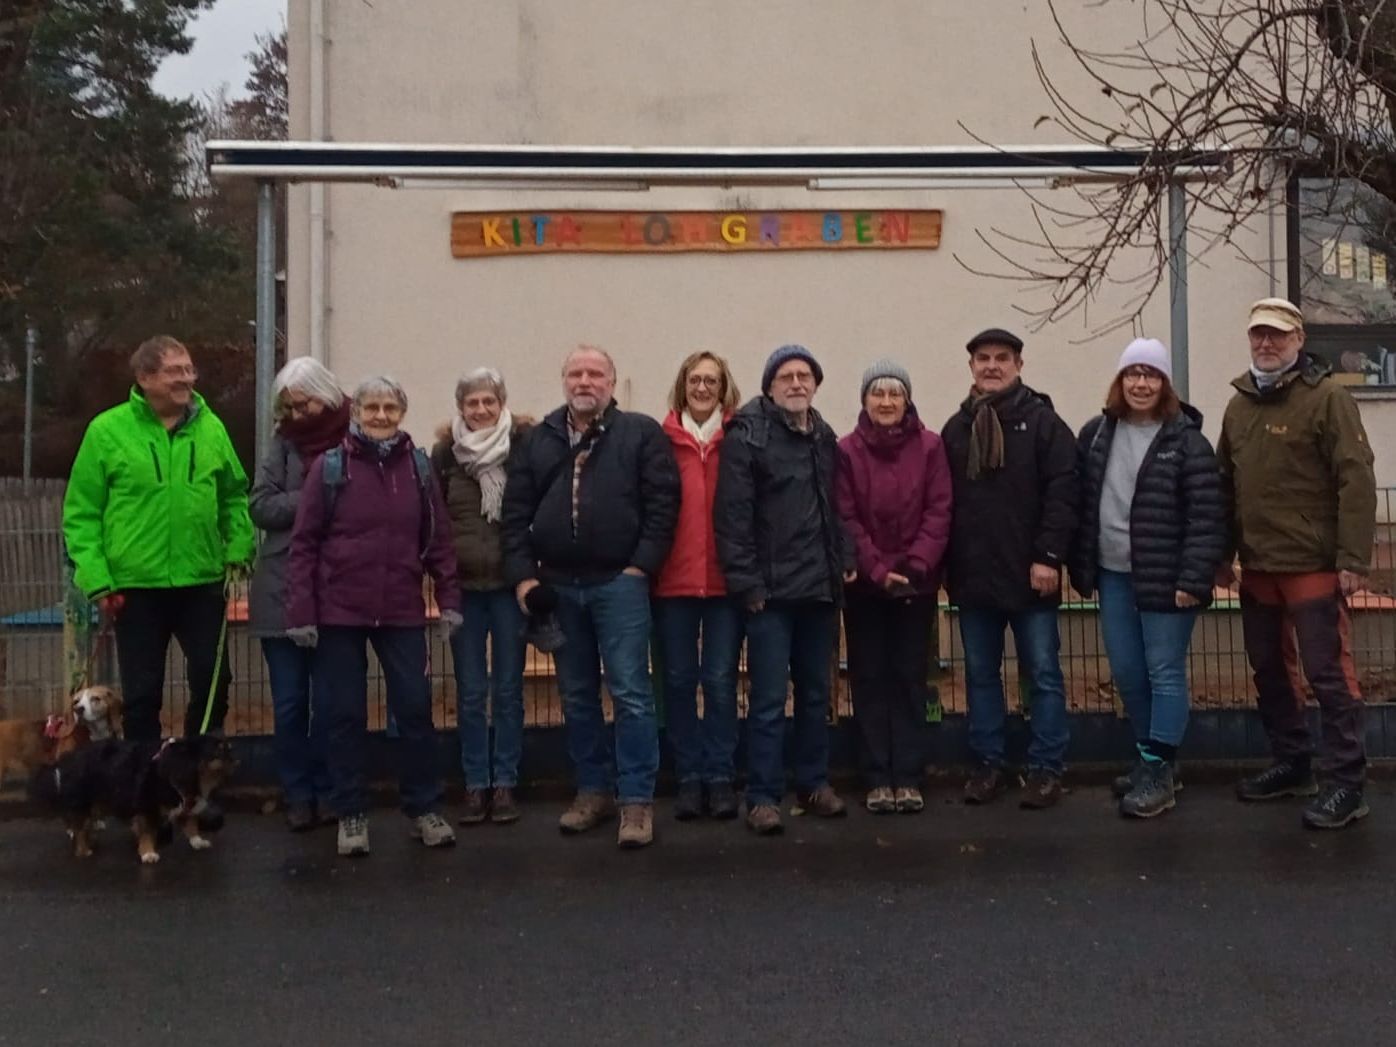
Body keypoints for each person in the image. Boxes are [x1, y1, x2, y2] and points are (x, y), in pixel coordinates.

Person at [502, 345, 679, 849]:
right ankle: (592, 791)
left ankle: (637, 801)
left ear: (612, 383)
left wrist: (638, 567)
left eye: (595, 373)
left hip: (618, 585)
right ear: (564, 381)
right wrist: (523, 579)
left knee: (630, 693)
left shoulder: (640, 433)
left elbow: (663, 505)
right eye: (576, 373)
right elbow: (515, 517)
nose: (585, 381)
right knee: (577, 696)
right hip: (557, 587)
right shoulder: (538, 440)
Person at [1217, 298, 1377, 829]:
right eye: (1259, 336)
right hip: (1258, 566)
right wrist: (1222, 555)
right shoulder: (1238, 405)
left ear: (1299, 341)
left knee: (1329, 675)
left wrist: (1353, 558)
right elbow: (1223, 485)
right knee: (1270, 670)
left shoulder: (1328, 399)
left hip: (1313, 565)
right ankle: (1292, 762)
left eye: (1278, 337)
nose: (1266, 345)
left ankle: (1347, 784)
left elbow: (1356, 477)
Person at [286, 375, 462, 857]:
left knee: (414, 710)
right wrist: (302, 611)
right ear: (356, 413)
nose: (381, 416)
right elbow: (304, 545)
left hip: (402, 609)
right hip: (339, 612)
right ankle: (351, 814)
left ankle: (423, 808)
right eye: (372, 408)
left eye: (390, 408)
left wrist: (448, 599)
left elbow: (439, 541)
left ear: (401, 414)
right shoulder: (330, 467)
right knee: (342, 715)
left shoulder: (419, 469)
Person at [63, 335, 254, 744]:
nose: (186, 379)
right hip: (135, 585)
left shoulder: (211, 427)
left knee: (213, 680)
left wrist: (239, 546)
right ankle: (144, 785)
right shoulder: (107, 431)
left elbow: (234, 494)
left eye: (189, 370)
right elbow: (81, 513)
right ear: (145, 377)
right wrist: (97, 578)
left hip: (201, 580)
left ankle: (197, 773)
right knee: (142, 693)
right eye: (174, 371)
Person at [1069, 339, 1226, 818]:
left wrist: (1193, 578)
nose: (1141, 383)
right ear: (1120, 381)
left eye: (1151, 375)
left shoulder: (1186, 440)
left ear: (1164, 384)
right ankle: (1150, 757)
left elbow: (1207, 517)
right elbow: (1081, 499)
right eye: (1132, 374)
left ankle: (1160, 772)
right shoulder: (1097, 433)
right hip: (1112, 573)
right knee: (1128, 673)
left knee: (1164, 672)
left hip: (1167, 576)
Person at [715, 344, 854, 836]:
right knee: (769, 700)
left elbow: (834, 510)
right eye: (786, 376)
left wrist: (846, 560)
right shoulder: (748, 435)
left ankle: (814, 784)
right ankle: (763, 796)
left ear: (815, 385)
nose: (796, 383)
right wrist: (747, 584)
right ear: (769, 386)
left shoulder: (823, 436)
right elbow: (732, 519)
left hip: (818, 589)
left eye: (804, 376)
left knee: (817, 695)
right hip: (770, 595)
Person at [941, 328, 1078, 809]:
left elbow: (1064, 493)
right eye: (983, 359)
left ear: (1019, 365)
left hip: (1031, 577)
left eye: (1002, 358)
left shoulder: (1043, 424)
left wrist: (1048, 557)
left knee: (1042, 674)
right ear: (971, 367)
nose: (992, 366)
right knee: (980, 675)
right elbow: (945, 505)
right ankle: (988, 765)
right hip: (975, 578)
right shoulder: (956, 429)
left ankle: (1046, 769)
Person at [836, 359, 952, 815]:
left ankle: (908, 775)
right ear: (864, 400)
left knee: (909, 679)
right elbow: (845, 517)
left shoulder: (931, 447)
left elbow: (939, 509)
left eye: (894, 394)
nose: (886, 402)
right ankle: (875, 776)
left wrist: (918, 564)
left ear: (907, 400)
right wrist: (877, 570)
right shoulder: (846, 451)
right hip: (865, 588)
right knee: (868, 678)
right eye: (877, 393)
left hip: (916, 587)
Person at [248, 357, 350, 832]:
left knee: (330, 703)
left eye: (304, 402)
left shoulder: (356, 437)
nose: (297, 413)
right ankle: (297, 793)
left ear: (325, 395)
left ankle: (333, 791)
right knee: (289, 703)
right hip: (281, 588)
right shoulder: (282, 444)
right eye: (288, 406)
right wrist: (315, 496)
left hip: (337, 589)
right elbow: (261, 505)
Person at [430, 367, 532, 826]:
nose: (481, 409)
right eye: (472, 402)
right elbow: (431, 517)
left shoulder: (522, 448)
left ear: (501, 402)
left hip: (510, 588)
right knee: (471, 693)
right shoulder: (444, 456)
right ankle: (475, 783)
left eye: (489, 401)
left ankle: (505, 782)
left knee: (509, 690)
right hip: (463, 589)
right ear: (461, 408)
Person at [652, 351, 744, 822]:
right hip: (674, 584)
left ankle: (721, 776)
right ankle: (688, 777)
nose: (703, 387)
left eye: (711, 380)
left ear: (725, 387)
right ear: (682, 384)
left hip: (726, 584)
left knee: (722, 684)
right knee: (679, 683)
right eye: (695, 379)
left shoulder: (740, 440)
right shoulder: (660, 440)